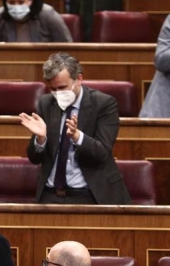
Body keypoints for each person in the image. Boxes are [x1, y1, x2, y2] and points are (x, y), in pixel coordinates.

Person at [20, 53, 130, 205]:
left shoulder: (104, 104)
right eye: (53, 89)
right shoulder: (46, 103)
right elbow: (34, 158)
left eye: (62, 87)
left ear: (79, 79)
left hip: (90, 194)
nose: (58, 94)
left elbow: (103, 153)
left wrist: (77, 136)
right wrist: (40, 139)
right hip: (50, 195)